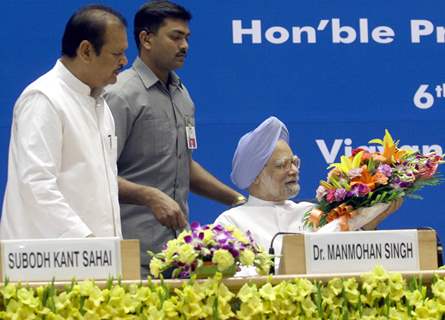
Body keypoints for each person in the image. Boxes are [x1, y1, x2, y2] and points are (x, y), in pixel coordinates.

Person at [105, 0, 244, 276]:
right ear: (146, 38)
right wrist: (149, 196)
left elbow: (183, 164)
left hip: (179, 253)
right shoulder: (120, 94)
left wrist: (237, 200)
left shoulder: (182, 95)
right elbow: (98, 173)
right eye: (175, 37)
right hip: (130, 254)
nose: (184, 46)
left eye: (187, 38)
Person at [0, 5, 128, 239]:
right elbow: (36, 184)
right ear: (86, 51)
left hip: (97, 259)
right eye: (116, 54)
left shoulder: (100, 103)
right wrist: (88, 243)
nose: (124, 61)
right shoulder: (44, 98)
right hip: (49, 262)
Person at [214, 116, 402, 273]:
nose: (294, 170)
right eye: (282, 165)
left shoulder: (312, 211)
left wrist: (367, 225)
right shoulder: (231, 223)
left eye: (294, 162)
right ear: (255, 177)